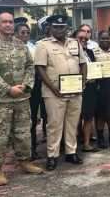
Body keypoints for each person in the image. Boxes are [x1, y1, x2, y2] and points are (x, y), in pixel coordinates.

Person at [34, 14, 87, 171]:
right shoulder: (43, 45)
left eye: (62, 27)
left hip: (75, 91)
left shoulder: (75, 43)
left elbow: (82, 63)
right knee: (54, 125)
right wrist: (52, 87)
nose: (59, 29)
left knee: (72, 123)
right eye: (56, 27)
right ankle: (52, 155)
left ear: (66, 28)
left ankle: (71, 152)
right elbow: (40, 68)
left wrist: (83, 81)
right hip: (54, 93)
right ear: (50, 28)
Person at [0, 13, 42, 186]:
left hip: (22, 98)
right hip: (1, 100)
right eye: (4, 22)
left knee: (23, 132)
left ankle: (24, 162)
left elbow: (30, 66)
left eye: (10, 22)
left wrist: (25, 85)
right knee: (0, 136)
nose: (8, 25)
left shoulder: (21, 45)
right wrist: (7, 89)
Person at [13, 18, 40, 159]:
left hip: (32, 87)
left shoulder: (33, 47)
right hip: (14, 89)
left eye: (27, 33)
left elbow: (33, 67)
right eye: (22, 32)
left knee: (32, 119)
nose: (25, 35)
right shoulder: (9, 47)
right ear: (15, 33)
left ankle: (31, 150)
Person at [76, 30, 99, 152]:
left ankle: (86, 143)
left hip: (90, 88)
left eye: (86, 39)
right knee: (76, 117)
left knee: (88, 116)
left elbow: (95, 68)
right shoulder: (71, 53)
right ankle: (73, 143)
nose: (84, 41)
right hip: (75, 88)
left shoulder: (90, 52)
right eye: (80, 38)